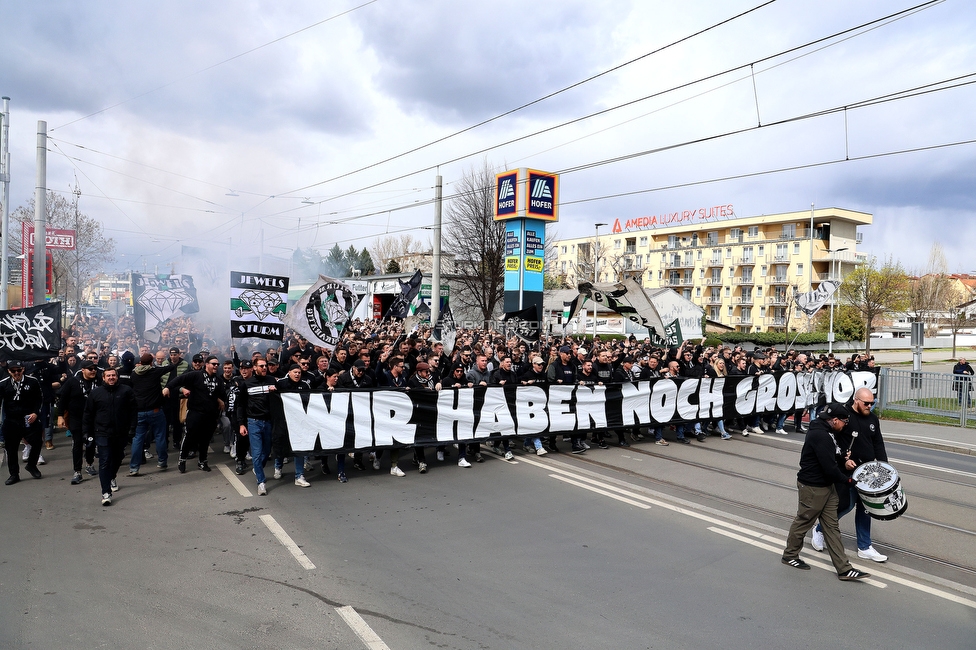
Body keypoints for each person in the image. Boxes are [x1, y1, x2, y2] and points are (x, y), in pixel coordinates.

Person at [781, 403, 870, 581]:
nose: (845, 425)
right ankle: (790, 555)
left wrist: (842, 456)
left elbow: (829, 456)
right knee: (804, 521)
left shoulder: (827, 431)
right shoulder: (821, 435)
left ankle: (844, 569)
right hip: (813, 487)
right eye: (844, 421)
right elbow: (829, 468)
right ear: (834, 420)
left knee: (832, 527)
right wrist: (849, 481)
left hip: (826, 487)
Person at [811, 388, 889, 563]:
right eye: (866, 403)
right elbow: (833, 440)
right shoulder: (845, 416)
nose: (870, 406)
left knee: (866, 508)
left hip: (869, 472)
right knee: (845, 505)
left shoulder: (873, 419)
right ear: (856, 400)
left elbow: (878, 443)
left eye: (872, 402)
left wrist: (885, 467)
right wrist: (842, 460)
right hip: (847, 469)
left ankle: (865, 546)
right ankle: (820, 529)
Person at [83, 367, 138, 506]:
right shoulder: (96, 393)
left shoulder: (126, 391)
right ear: (103, 378)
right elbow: (88, 413)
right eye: (108, 375)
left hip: (121, 432)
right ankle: (106, 492)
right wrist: (87, 432)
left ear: (117, 377)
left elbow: (133, 411)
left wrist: (132, 428)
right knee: (105, 461)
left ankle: (112, 476)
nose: (111, 377)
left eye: (113, 375)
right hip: (102, 432)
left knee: (118, 457)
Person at [164, 355, 226, 473]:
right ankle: (182, 459)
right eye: (213, 364)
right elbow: (179, 379)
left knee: (205, 439)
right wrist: (168, 387)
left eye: (217, 364)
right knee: (189, 436)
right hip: (195, 412)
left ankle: (202, 461)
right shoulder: (196, 375)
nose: (216, 366)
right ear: (206, 364)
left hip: (210, 415)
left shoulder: (218, 380)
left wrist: (220, 399)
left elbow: (221, 394)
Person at [128, 353, 177, 475]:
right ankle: (162, 461)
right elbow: (170, 368)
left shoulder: (134, 374)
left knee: (138, 439)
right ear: (151, 362)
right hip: (155, 410)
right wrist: (173, 360)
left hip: (139, 412)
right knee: (160, 436)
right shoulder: (154, 372)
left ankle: (134, 467)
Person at [1, 360, 45, 484]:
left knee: (37, 442)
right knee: (11, 448)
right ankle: (14, 474)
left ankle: (31, 465)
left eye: (19, 370)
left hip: (29, 418)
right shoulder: (3, 384)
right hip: (11, 420)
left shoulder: (32, 381)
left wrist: (36, 413)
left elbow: (39, 399)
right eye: (13, 371)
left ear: (23, 370)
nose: (16, 373)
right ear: (9, 371)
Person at [58, 360, 101, 484]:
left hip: (93, 418)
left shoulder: (98, 381)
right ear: (83, 370)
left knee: (91, 442)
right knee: (77, 444)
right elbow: (63, 400)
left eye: (94, 369)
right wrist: (60, 416)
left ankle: (89, 463)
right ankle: (77, 471)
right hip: (76, 418)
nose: (93, 371)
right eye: (90, 369)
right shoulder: (72, 382)